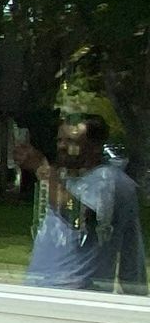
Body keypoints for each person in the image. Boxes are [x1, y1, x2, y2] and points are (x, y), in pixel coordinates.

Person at [14, 114, 147, 295]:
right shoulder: (68, 181)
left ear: (95, 147)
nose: (61, 146)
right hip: (39, 290)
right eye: (60, 140)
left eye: (71, 141)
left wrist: (42, 170)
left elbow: (79, 217)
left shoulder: (109, 179)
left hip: (75, 297)